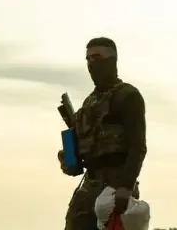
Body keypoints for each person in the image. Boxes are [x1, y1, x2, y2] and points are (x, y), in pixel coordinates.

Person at [59, 37, 147, 230]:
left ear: (112, 59)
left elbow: (138, 145)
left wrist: (126, 186)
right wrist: (68, 158)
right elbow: (84, 151)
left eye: (97, 57)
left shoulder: (127, 96)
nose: (92, 63)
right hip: (89, 186)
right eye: (88, 59)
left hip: (115, 186)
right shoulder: (89, 103)